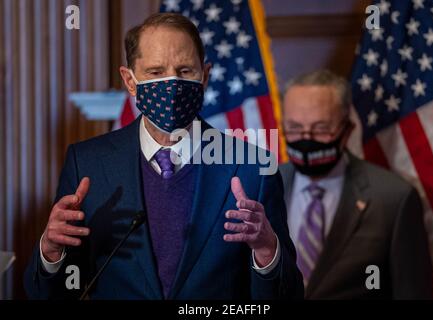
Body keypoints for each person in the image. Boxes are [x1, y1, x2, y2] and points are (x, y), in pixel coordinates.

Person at [24, 13, 303, 300]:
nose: (171, 85)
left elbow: (289, 295)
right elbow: (51, 294)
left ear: (205, 77)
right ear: (130, 81)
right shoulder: (87, 163)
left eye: (184, 71)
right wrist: (51, 252)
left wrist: (268, 253)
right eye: (156, 72)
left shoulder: (252, 168)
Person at [280, 69, 432, 299]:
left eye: (321, 128)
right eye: (294, 128)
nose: (305, 138)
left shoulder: (394, 198)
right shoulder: (262, 186)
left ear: (347, 129)